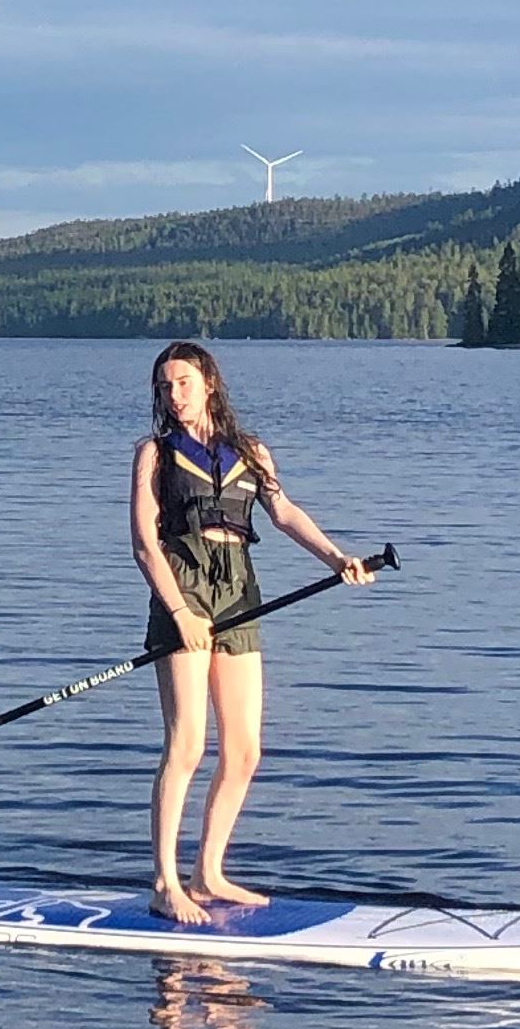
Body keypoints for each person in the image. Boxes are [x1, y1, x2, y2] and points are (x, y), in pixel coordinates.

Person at [130, 340, 369, 926]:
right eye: (165, 386)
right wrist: (180, 613)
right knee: (187, 744)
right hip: (183, 586)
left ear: (208, 383)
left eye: (183, 382)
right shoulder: (154, 455)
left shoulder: (250, 451)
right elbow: (143, 544)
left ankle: (208, 872)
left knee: (243, 750)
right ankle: (165, 883)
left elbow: (284, 513)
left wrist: (337, 558)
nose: (173, 395)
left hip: (238, 588)